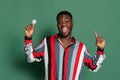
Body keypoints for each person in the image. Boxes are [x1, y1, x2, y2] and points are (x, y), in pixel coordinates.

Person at [24, 10, 106, 80]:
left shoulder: (81, 48)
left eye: (66, 21)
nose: (63, 25)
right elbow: (30, 58)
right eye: (60, 22)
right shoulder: (47, 42)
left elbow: (93, 66)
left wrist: (100, 49)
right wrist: (28, 37)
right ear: (57, 25)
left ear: (72, 23)